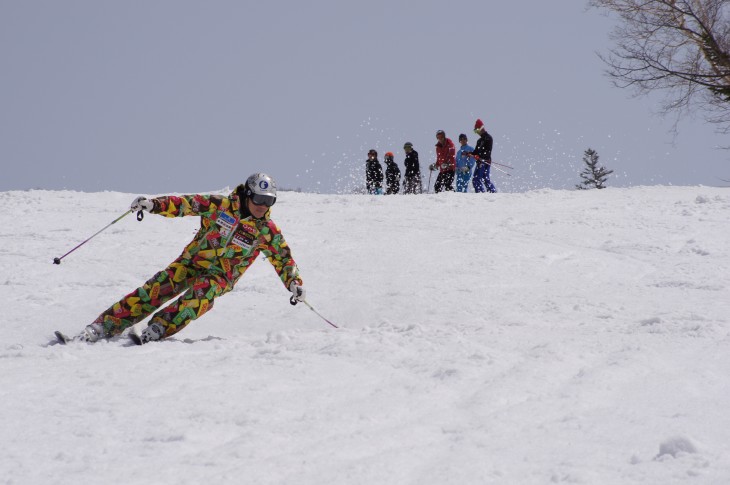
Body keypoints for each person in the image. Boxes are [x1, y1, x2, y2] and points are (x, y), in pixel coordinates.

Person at [66, 173, 306, 344]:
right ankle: (102, 326)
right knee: (154, 290)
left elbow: (283, 259)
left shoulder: (266, 230)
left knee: (203, 293)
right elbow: (186, 204)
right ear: (247, 195)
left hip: (221, 275)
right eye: (259, 200)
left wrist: (294, 284)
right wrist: (153, 205)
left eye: (269, 201)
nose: (263, 206)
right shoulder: (220, 206)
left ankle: (159, 328)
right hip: (192, 262)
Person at [467, 119, 497, 193]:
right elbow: (476, 152)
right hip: (480, 161)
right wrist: (469, 153)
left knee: (481, 179)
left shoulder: (488, 138)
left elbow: (488, 151)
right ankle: (482, 193)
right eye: (475, 131)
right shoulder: (479, 141)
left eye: (477, 130)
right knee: (477, 179)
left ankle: (490, 193)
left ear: (481, 128)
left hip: (485, 161)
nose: (476, 133)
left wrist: (480, 156)